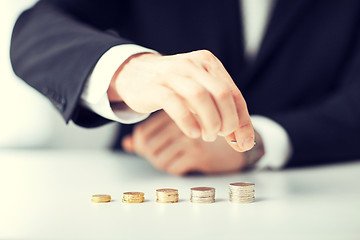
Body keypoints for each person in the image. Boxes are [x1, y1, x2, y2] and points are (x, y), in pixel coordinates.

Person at [10, 0, 360, 175]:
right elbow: (37, 28)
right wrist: (129, 70)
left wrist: (258, 143)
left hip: (316, 186)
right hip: (145, 183)